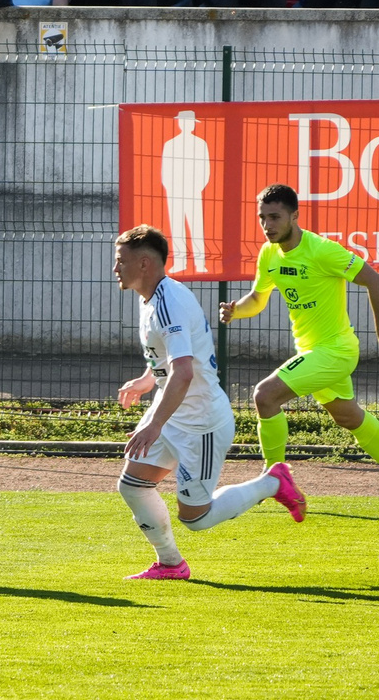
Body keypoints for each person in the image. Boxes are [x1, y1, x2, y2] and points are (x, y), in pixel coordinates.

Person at [109, 225, 298, 584]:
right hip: (172, 410)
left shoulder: (169, 302)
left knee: (196, 518)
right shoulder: (149, 296)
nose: (115, 268)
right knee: (132, 485)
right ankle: (170, 564)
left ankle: (272, 482)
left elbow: (183, 374)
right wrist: (147, 380)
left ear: (145, 263)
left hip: (201, 422)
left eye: (121, 261)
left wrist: (154, 425)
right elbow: (172, 361)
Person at [219, 183, 379, 509]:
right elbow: (257, 298)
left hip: (336, 351)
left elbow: (373, 278)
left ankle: (274, 476)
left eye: (275, 217)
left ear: (294, 216)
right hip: (312, 352)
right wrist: (236, 311)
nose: (267, 225)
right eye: (262, 218)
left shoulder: (322, 250)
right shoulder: (269, 253)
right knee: (346, 415)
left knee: (264, 395)